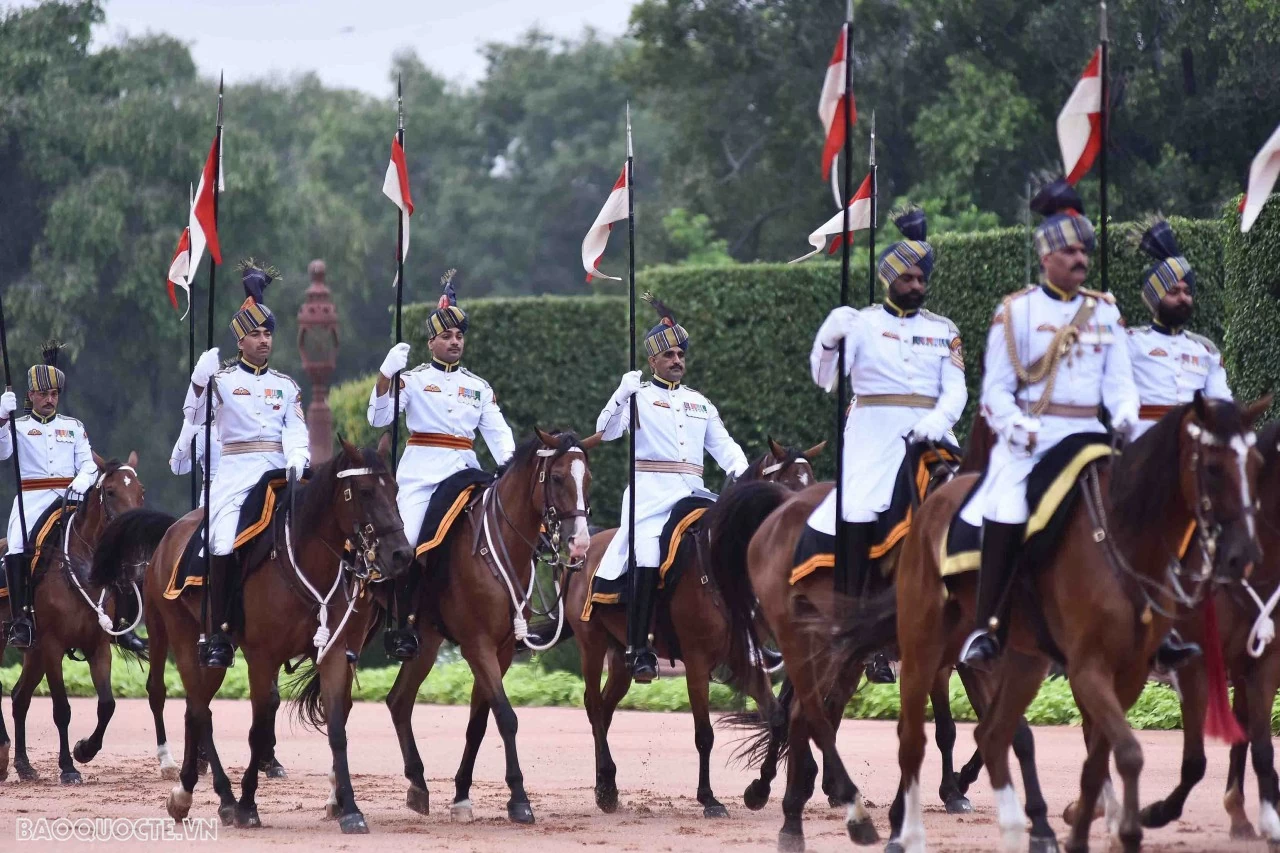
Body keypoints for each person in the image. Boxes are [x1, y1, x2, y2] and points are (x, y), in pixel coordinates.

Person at [958, 178, 1145, 669]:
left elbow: (1120, 383)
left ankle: (1152, 624)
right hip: (1032, 441)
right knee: (1007, 506)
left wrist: (1126, 416)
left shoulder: (1104, 311)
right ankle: (988, 626)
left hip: (1090, 436)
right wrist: (1019, 428)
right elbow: (995, 390)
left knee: (1144, 505)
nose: (1080, 258)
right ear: (1047, 258)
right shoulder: (1016, 311)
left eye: (1084, 250)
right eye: (1070, 251)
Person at [805, 207, 967, 683]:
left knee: (976, 501)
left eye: (921, 278)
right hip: (875, 428)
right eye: (908, 277)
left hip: (932, 431)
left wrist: (938, 421)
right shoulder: (862, 323)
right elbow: (825, 379)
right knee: (858, 506)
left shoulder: (945, 329)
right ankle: (855, 624)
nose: (916, 285)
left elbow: (955, 389)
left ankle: (984, 622)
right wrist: (830, 338)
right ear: (889, 279)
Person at [595, 293, 749, 681]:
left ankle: (742, 640)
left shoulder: (701, 403)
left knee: (732, 546)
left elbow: (725, 446)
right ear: (653, 362)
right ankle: (638, 648)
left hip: (694, 496)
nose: (677, 361)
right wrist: (622, 392)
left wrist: (743, 473)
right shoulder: (639, 397)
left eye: (680, 354)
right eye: (669, 356)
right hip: (650, 498)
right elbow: (605, 431)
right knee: (647, 555)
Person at [368, 272, 514, 660]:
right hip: (422, 475)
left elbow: (498, 434)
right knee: (408, 543)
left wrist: (510, 466)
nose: (454, 342)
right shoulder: (412, 380)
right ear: (431, 341)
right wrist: (385, 376)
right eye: (446, 336)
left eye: (459, 337)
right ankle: (404, 623)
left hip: (466, 472)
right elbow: (379, 419)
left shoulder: (478, 387)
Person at [184, 260, 309, 668]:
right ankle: (218, 632)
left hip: (277, 469)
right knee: (220, 538)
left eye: (267, 333)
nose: (263, 340)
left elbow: (294, 429)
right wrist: (199, 382)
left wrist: (298, 454)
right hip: (236, 471)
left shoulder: (286, 386)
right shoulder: (220, 381)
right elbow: (193, 416)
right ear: (240, 341)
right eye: (254, 334)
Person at [0, 341, 98, 649]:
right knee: (15, 544)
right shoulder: (17, 427)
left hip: (70, 498)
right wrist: (2, 419)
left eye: (54, 394)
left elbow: (88, 464)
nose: (49, 399)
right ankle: (20, 621)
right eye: (43, 394)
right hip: (32, 498)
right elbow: (2, 453)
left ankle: (118, 616)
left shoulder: (73, 426)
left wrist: (83, 481)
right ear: (30, 395)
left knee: (105, 540)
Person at [1125, 216, 1232, 440]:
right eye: (1174, 292)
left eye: (1187, 292)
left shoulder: (1206, 349)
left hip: (1193, 443)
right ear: (1155, 299)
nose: (1183, 298)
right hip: (1144, 441)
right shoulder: (1130, 342)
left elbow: (1221, 400)